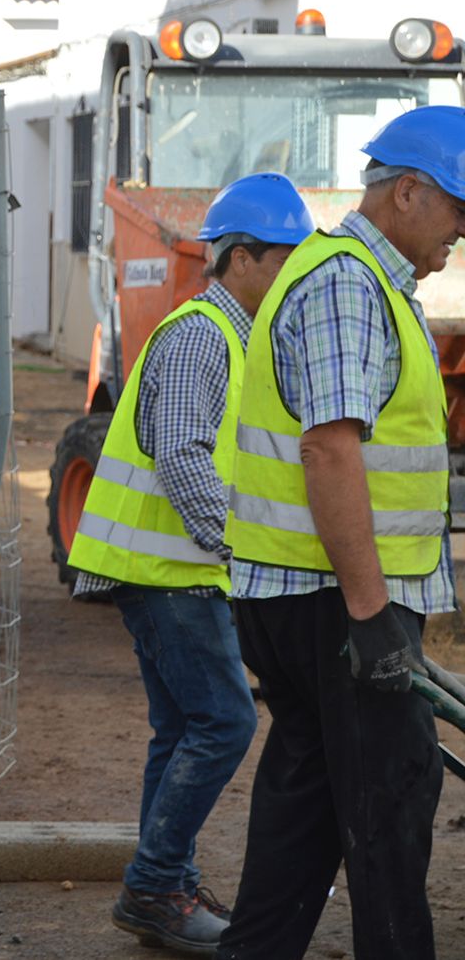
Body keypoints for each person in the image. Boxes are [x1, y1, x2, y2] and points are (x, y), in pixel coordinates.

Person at [216, 106, 465, 960]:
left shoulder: (352, 280)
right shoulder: (347, 284)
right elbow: (329, 450)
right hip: (339, 607)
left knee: (305, 814)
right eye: (458, 215)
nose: (459, 238)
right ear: (407, 192)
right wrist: (371, 619)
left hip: (312, 601)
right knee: (392, 807)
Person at [68, 173, 313, 953]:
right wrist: (241, 547)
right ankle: (152, 885)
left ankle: (162, 885)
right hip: (167, 569)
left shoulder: (232, 336)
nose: (292, 278)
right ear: (240, 258)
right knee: (224, 719)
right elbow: (180, 454)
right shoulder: (204, 333)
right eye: (283, 260)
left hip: (169, 567)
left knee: (181, 728)